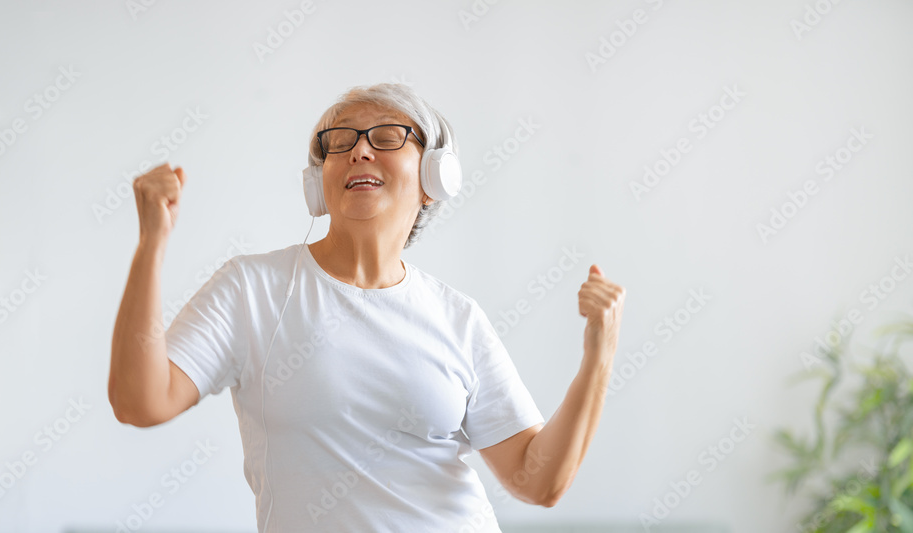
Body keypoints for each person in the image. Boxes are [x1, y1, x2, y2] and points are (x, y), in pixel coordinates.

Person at [108, 83, 626, 532]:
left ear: (434, 178)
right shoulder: (253, 288)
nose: (359, 151)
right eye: (340, 141)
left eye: (386, 136)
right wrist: (152, 242)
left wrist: (599, 356)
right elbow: (141, 401)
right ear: (318, 182)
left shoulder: (458, 318)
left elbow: (537, 481)